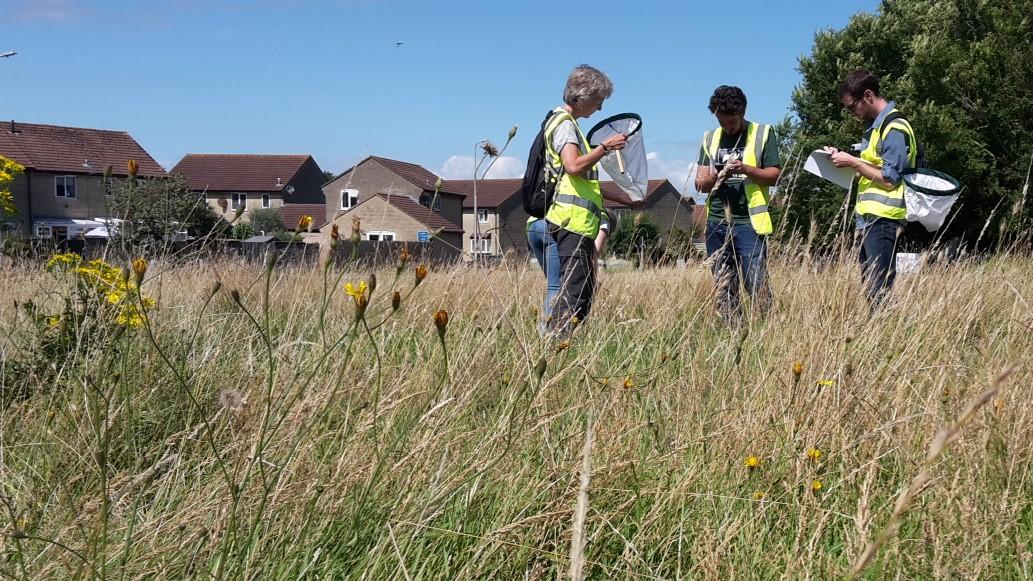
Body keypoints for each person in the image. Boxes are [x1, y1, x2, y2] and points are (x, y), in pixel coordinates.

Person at [538, 64, 629, 337]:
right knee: (574, 295)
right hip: (572, 224)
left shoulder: (565, 123)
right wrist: (605, 148)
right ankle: (558, 346)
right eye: (598, 101)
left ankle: (559, 343)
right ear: (580, 96)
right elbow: (574, 166)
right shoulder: (566, 126)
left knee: (579, 289)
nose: (599, 108)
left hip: (576, 224)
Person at [824, 70, 917, 308]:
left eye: (852, 106)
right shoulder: (875, 127)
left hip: (884, 219)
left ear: (868, 95)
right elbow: (873, 169)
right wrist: (842, 159)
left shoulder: (894, 127)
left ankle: (891, 338)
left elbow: (890, 179)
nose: (851, 113)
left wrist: (853, 162)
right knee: (872, 288)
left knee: (879, 290)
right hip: (870, 219)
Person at [694, 86, 781, 324]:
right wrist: (715, 176)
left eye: (731, 122)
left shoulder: (763, 133)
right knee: (723, 282)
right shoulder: (710, 138)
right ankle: (734, 329)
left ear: (742, 112)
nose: (727, 127)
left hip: (749, 222)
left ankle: (766, 329)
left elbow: (774, 176)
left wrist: (745, 169)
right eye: (722, 122)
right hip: (717, 223)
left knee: (756, 282)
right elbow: (700, 183)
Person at [527, 211, 609, 333]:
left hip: (533, 227)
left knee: (554, 284)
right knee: (558, 287)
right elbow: (593, 256)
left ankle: (548, 329)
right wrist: (592, 282)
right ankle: (548, 333)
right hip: (552, 228)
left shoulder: (584, 203)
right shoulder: (603, 219)